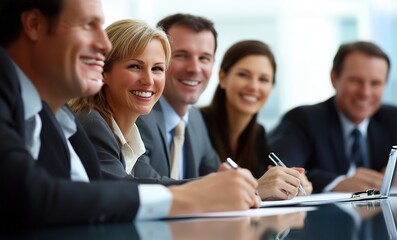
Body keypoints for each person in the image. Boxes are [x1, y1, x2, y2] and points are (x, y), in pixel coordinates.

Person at [0, 0, 259, 228]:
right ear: (34, 24)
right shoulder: (89, 123)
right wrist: (193, 196)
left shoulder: (59, 120)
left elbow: (101, 191)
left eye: (158, 68)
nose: (103, 44)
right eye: (88, 24)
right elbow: (35, 195)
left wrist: (227, 189)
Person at [268, 41, 397, 193]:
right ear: (334, 78)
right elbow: (280, 171)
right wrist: (338, 183)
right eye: (356, 81)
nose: (365, 93)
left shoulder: (394, 119)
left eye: (375, 83)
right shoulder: (304, 119)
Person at [70, 19, 180, 184]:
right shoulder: (92, 123)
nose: (148, 80)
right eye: (135, 66)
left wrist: (215, 184)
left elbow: (157, 183)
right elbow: (124, 190)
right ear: (103, 72)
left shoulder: (128, 132)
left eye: (157, 68)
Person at [200, 40, 312, 200]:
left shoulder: (257, 133)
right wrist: (258, 188)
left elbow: (265, 186)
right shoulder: (197, 125)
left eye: (264, 79)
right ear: (222, 77)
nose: (254, 86)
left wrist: (290, 183)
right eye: (243, 75)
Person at [136, 13, 220, 180]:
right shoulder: (138, 114)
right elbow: (145, 183)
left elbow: (218, 176)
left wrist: (250, 185)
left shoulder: (195, 118)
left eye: (204, 58)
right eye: (181, 55)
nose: (195, 68)